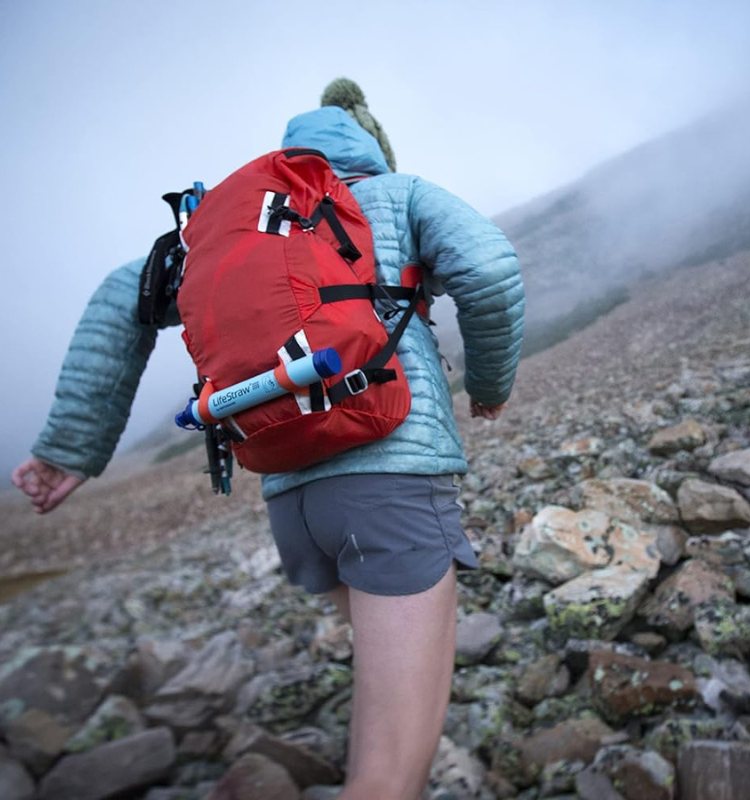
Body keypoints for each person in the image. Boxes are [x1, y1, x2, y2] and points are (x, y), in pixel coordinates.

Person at [12, 78, 525, 799]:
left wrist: (69, 450)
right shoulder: (396, 194)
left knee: (381, 700)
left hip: (289, 493)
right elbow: (493, 270)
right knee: (386, 779)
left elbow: (112, 305)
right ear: (372, 147)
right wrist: (492, 386)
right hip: (391, 480)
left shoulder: (230, 226)